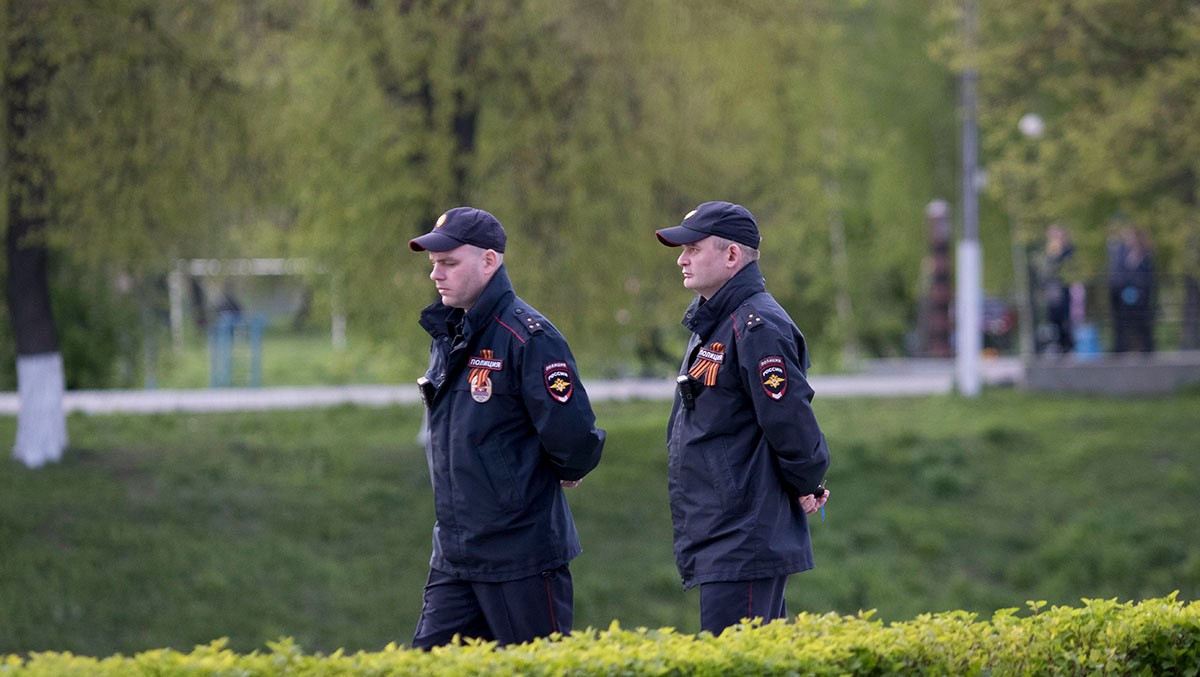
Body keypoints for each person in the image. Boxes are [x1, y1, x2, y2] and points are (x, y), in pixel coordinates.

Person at [408, 207, 605, 648]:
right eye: (434, 264)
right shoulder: (449, 331)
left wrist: (565, 468)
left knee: (540, 666)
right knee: (422, 665)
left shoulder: (529, 337)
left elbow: (574, 437)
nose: (436, 274)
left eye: (449, 263)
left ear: (489, 261)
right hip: (456, 553)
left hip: (521, 555)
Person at [655, 201, 831, 635]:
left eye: (693, 249)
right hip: (725, 533)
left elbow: (791, 422)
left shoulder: (756, 327)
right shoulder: (717, 321)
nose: (681, 260)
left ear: (732, 255)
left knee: (737, 659)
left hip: (744, 535)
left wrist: (807, 483)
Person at [1113, 225, 1156, 353]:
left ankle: (1147, 349)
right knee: (1123, 323)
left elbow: (1148, 277)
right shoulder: (1123, 255)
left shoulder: (1146, 255)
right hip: (1125, 296)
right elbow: (1119, 274)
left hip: (1141, 297)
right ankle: (1121, 348)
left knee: (1143, 325)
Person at [1037, 224, 1076, 354]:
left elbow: (1067, 268)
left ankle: (1068, 346)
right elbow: (1044, 271)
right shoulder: (1048, 252)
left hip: (1063, 290)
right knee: (1054, 319)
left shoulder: (1067, 250)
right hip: (1052, 291)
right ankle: (1058, 345)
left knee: (1065, 319)